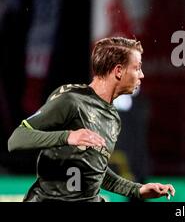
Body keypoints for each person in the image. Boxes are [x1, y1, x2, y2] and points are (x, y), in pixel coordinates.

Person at [8, 37, 175, 202]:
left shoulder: (113, 119)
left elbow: (95, 171)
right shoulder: (71, 100)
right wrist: (67, 136)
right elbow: (16, 139)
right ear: (118, 71)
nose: (142, 75)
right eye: (137, 68)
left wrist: (137, 189)